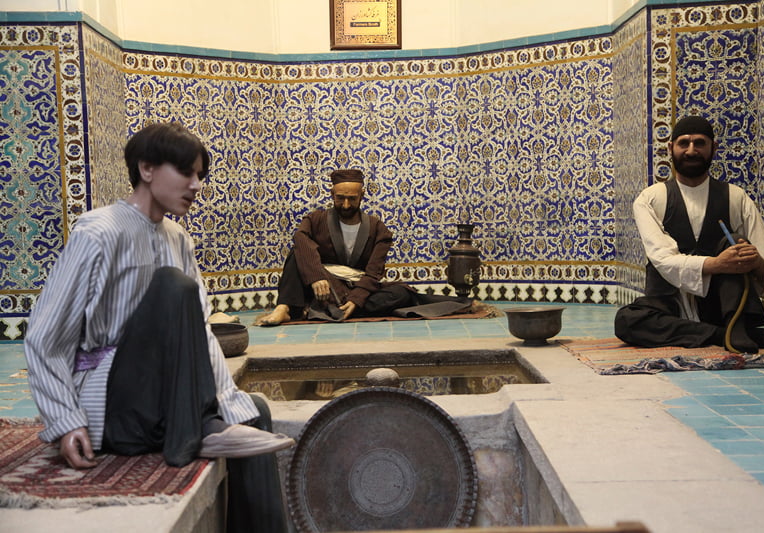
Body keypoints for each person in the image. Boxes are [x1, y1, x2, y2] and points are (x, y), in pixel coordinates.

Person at [24, 122, 292, 532]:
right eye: (186, 172)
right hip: (115, 410)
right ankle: (200, 426)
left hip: (165, 407)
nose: (196, 185)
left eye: (200, 175)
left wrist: (228, 403)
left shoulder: (177, 238)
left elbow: (200, 330)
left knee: (255, 411)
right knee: (172, 285)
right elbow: (45, 336)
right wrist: (65, 420)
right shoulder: (98, 232)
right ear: (146, 169)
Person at [614, 116, 764, 354]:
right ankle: (722, 334)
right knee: (627, 321)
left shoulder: (736, 198)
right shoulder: (650, 199)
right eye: (684, 143)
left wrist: (755, 262)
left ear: (714, 148)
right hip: (668, 304)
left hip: (721, 306)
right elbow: (663, 258)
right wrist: (716, 264)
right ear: (670, 148)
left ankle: (732, 325)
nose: (691, 150)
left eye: (700, 143)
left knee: (736, 243)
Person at [256, 169, 470, 326]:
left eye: (352, 199)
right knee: (297, 254)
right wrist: (316, 277)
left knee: (400, 294)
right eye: (340, 198)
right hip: (326, 286)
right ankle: (284, 308)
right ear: (332, 194)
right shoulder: (315, 220)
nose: (346, 205)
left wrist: (356, 299)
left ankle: (325, 309)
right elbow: (300, 238)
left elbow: (374, 273)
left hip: (356, 288)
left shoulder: (377, 228)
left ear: (362, 195)